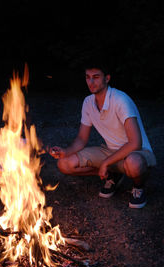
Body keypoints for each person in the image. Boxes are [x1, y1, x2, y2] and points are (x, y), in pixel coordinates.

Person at [49, 59, 156, 208]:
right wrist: (65, 151)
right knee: (64, 164)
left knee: (134, 163)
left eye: (96, 77)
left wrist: (106, 162)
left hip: (137, 152)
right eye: (87, 77)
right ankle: (113, 175)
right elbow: (81, 138)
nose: (91, 82)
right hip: (111, 151)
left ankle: (138, 187)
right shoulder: (88, 102)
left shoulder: (120, 100)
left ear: (107, 78)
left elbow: (135, 142)